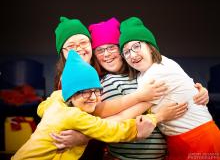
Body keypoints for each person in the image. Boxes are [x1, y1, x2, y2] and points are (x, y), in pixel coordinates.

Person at [52, 17, 210, 160]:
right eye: (100, 49)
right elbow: (99, 116)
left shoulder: (142, 75)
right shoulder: (95, 84)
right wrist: (83, 137)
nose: (107, 54)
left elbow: (173, 86)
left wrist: (197, 91)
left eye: (113, 48)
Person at [12, 50, 162, 160]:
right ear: (71, 95)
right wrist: (140, 128)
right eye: (85, 92)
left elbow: (42, 107)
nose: (93, 98)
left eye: (97, 91)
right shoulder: (73, 115)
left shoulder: (57, 101)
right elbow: (111, 130)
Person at [119, 16, 220, 160]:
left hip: (199, 138)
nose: (132, 55)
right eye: (126, 51)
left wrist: (94, 125)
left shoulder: (156, 72)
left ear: (150, 46)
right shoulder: (147, 72)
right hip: (179, 140)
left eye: (136, 46)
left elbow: (128, 114)